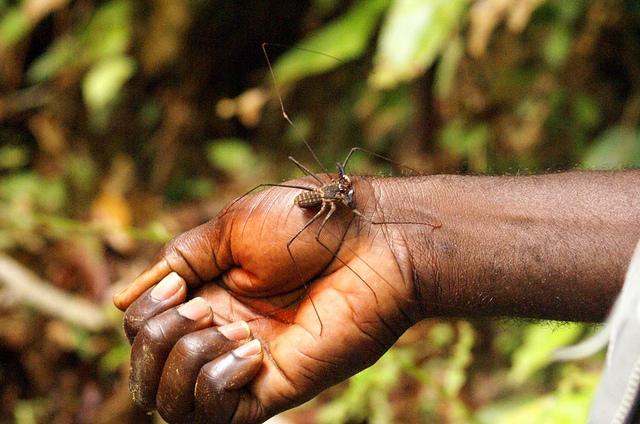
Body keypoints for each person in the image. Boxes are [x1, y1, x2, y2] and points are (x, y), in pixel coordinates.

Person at [113, 171, 640, 424]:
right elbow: (334, 216)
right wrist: (390, 236)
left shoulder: (343, 209)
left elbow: (352, 209)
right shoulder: (331, 212)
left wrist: (388, 232)